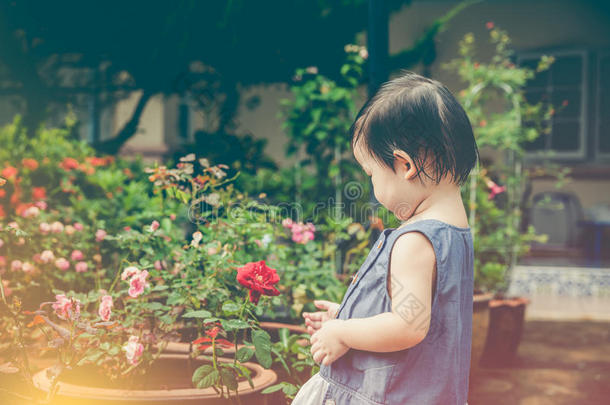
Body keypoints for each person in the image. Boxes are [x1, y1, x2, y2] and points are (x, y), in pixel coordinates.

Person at [292, 71, 478, 405]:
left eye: (372, 174)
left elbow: (408, 325)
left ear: (404, 165)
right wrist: (347, 315)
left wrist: (342, 333)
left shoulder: (415, 240)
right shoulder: (455, 233)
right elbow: (420, 316)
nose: (373, 188)